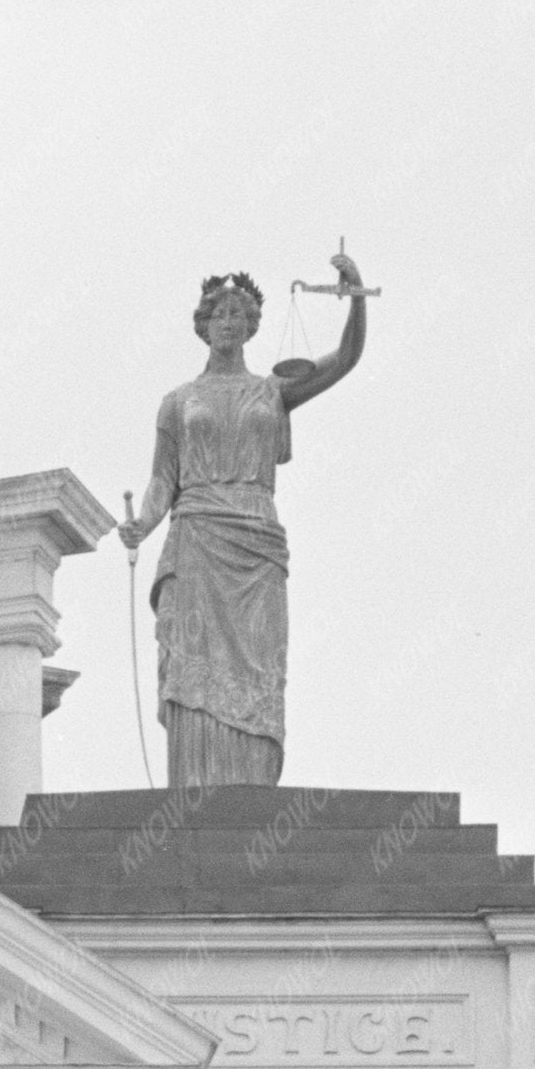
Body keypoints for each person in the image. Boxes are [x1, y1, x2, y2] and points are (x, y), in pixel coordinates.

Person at [119, 248, 369, 790]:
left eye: (239, 315)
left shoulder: (272, 391)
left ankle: (251, 791)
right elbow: (164, 477)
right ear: (204, 327)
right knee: (192, 661)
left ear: (253, 326)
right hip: (197, 536)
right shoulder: (177, 401)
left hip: (254, 542)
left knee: (257, 665)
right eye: (219, 314)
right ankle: (194, 786)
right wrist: (144, 522)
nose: (229, 322)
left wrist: (355, 297)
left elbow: (345, 359)